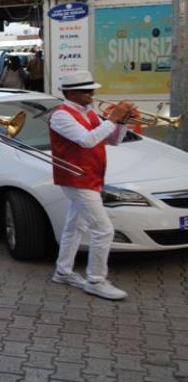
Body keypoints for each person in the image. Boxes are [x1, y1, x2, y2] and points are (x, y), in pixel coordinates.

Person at [48, 71, 134, 300]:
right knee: (104, 229)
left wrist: (122, 121)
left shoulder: (89, 112)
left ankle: (63, 271)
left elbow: (112, 139)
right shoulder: (61, 116)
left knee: (75, 227)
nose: (92, 94)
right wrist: (114, 118)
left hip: (91, 176)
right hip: (76, 178)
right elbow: (87, 140)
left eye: (92, 89)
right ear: (70, 93)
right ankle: (96, 280)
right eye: (87, 91)